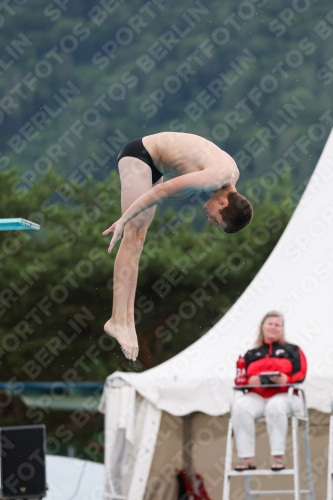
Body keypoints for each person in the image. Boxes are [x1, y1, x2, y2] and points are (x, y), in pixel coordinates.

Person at [102, 132, 253, 360]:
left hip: (155, 166)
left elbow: (171, 190)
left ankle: (127, 321)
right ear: (223, 203)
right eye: (216, 219)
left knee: (139, 238)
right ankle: (117, 320)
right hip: (140, 156)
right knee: (132, 234)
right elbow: (162, 191)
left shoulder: (229, 176)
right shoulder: (216, 178)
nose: (210, 220)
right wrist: (123, 220)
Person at [232, 311, 307, 471]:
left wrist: (287, 380)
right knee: (239, 406)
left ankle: (278, 457)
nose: (273, 327)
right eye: (270, 324)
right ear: (262, 327)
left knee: (275, 406)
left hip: (285, 395)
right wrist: (248, 381)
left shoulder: (293, 350)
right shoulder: (251, 354)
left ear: (282, 328)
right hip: (257, 396)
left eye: (277, 324)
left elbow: (301, 373)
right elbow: (239, 379)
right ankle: (247, 459)